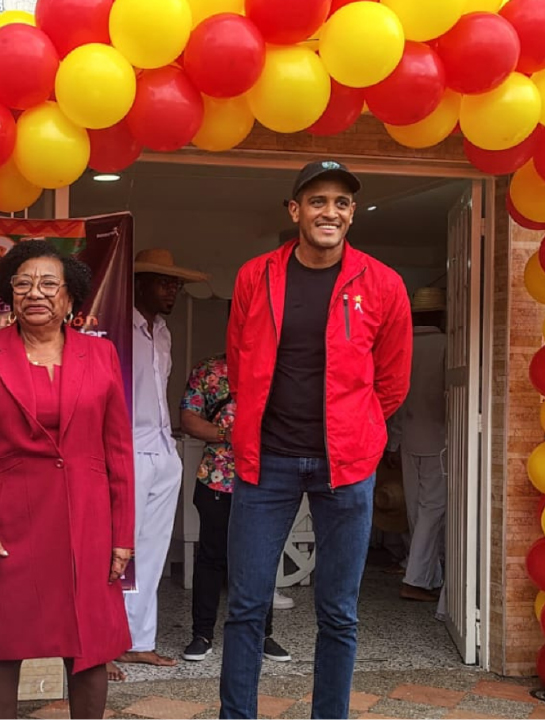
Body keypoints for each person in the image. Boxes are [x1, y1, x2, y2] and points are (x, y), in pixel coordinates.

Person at [222, 160, 413, 719]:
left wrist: (358, 431)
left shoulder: (383, 283)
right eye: (318, 201)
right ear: (295, 210)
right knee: (247, 606)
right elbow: (239, 364)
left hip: (346, 468)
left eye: (341, 203)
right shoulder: (255, 276)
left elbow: (392, 381)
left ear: (352, 214)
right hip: (267, 462)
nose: (330, 212)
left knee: (338, 612)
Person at [0, 240, 134, 719]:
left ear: (70, 297)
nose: (35, 293)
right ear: (10, 294)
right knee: (1, 643)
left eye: (49, 284)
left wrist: (122, 535)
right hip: (4, 528)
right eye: (23, 284)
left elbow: (118, 451)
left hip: (85, 523)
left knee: (88, 645)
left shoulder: (102, 354)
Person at [115, 248, 207, 679]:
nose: (173, 291)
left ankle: (137, 642)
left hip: (162, 449)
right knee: (117, 548)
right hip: (127, 448)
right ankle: (106, 641)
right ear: (139, 283)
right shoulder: (118, 328)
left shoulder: (164, 332)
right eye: (165, 282)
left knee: (152, 552)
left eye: (177, 284)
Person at [180, 353, 291, 664]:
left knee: (261, 559)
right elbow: (188, 417)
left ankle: (263, 634)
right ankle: (202, 634)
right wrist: (226, 434)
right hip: (217, 476)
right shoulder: (209, 369)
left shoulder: (277, 365)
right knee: (211, 557)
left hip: (265, 478)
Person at [396, 288, 448, 603]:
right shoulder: (446, 345)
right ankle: (415, 578)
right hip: (438, 439)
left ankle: (428, 574)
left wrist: (392, 440)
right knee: (434, 508)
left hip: (407, 437)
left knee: (416, 508)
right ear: (441, 315)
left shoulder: (402, 345)